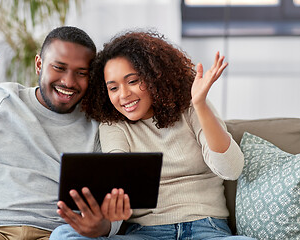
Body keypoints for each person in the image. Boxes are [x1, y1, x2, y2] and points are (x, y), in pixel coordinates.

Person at [50, 31, 256, 239]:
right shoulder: (113, 124)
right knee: (63, 235)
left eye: (132, 81)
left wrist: (200, 104)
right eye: (113, 88)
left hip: (207, 229)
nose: (123, 95)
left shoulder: (192, 107)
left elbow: (231, 169)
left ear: (155, 77)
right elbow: (119, 179)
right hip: (146, 233)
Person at [0, 17, 120, 240]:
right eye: (59, 67)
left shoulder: (97, 126)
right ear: (39, 64)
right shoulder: (0, 100)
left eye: (81, 73)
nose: (69, 82)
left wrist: (105, 227)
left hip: (56, 233)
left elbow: (115, 194)